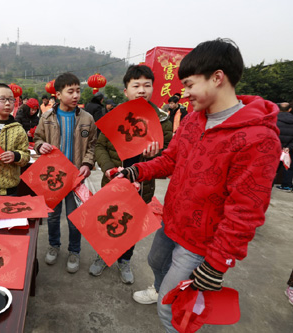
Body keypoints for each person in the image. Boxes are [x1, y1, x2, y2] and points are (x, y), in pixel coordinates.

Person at [118, 38, 281, 331]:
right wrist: (134, 172)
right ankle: (161, 286)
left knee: (170, 311)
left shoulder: (258, 139)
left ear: (218, 77)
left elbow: (246, 211)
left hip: (202, 242)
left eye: (190, 84)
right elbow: (170, 161)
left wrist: (217, 264)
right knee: (155, 262)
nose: (185, 92)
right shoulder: (194, 120)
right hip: (173, 221)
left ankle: (169, 304)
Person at [89, 65, 173, 284]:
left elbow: (170, 156)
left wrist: (158, 154)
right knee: (108, 220)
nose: (142, 90)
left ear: (153, 89)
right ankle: (103, 256)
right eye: (136, 85)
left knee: (132, 225)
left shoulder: (163, 120)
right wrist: (107, 167)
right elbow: (100, 147)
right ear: (126, 91)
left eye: (147, 85)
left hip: (143, 185)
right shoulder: (114, 117)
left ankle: (125, 260)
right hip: (114, 181)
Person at [34, 72, 97, 273]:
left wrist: (87, 163)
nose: (76, 95)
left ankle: (74, 251)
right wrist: (40, 145)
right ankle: (54, 246)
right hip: (53, 177)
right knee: (52, 216)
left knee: (74, 216)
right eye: (70, 91)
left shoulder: (87, 118)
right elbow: (37, 138)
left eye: (78, 91)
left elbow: (93, 145)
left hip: (76, 178)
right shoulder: (47, 117)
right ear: (58, 94)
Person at [276, 101, 293, 191]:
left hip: (274, 147)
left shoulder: (273, 119)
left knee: (272, 168)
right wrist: (288, 147)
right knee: (289, 167)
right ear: (290, 109)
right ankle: (286, 185)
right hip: (288, 149)